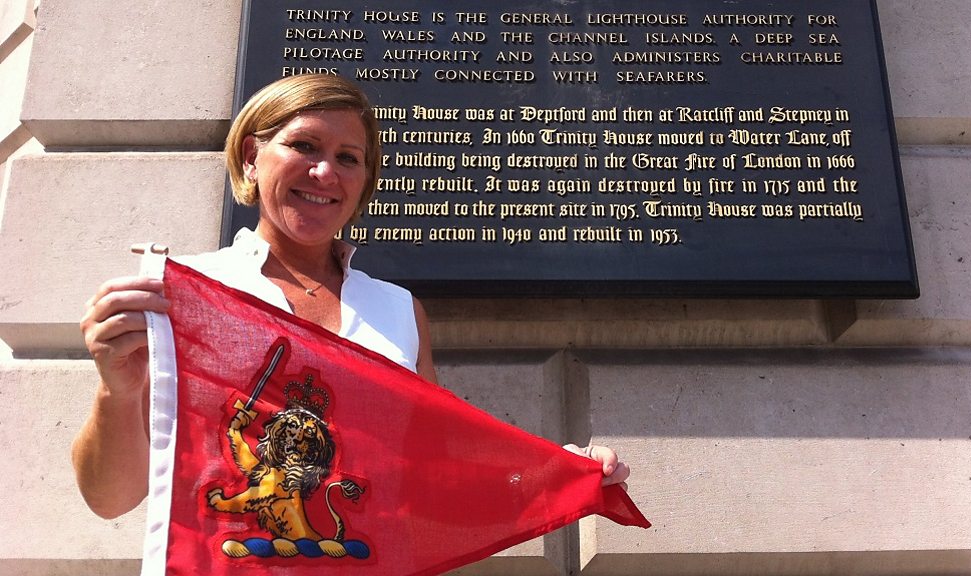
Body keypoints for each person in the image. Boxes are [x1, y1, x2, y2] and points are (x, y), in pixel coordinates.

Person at [72, 73, 629, 521]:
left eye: (348, 158)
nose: (324, 172)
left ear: (364, 180)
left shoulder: (397, 309)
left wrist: (556, 470)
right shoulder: (190, 294)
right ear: (250, 156)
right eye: (304, 145)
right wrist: (117, 391)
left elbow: (434, 473)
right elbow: (110, 500)